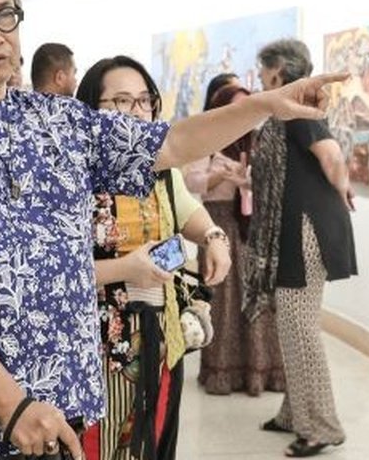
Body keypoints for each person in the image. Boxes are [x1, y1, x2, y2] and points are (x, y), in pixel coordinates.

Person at [0, 0, 342, 460]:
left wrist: (268, 104)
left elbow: (172, 143)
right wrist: (11, 405)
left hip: (71, 395)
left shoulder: (56, 120)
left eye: (6, 16)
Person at [74, 55, 233, 460]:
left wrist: (214, 237)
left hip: (160, 338)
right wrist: (124, 269)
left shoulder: (160, 168)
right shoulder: (71, 175)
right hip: (95, 348)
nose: (138, 111)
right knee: (94, 447)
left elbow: (187, 210)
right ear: (91, 108)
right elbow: (50, 272)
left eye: (145, 100)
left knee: (153, 443)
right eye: (122, 101)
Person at [245, 39, 357, 458]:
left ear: (278, 72)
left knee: (300, 329)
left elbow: (330, 155)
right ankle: (296, 414)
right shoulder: (286, 109)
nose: (260, 78)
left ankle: (324, 427)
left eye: (263, 70)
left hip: (305, 230)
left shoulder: (298, 110)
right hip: (290, 230)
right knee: (290, 327)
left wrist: (343, 186)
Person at [183, 83, 286, 397]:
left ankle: (260, 371)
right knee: (224, 301)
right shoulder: (207, 139)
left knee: (255, 299)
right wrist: (220, 176)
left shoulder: (254, 141)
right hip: (217, 225)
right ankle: (223, 372)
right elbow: (191, 180)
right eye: (237, 108)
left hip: (250, 229)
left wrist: (246, 180)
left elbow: (267, 184)